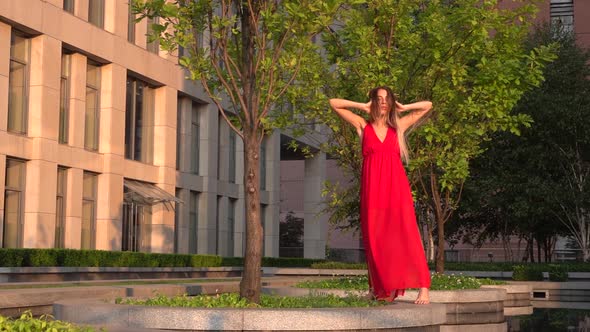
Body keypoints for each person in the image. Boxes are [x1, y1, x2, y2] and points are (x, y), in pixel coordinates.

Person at [329, 86, 432, 304]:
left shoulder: (398, 126)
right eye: (378, 99)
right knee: (375, 238)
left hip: (396, 188)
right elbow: (333, 103)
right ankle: (379, 286)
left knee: (405, 234)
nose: (383, 102)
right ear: (373, 102)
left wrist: (405, 107)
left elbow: (427, 106)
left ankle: (423, 287)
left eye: (387, 99)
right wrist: (361, 106)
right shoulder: (362, 126)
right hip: (372, 190)